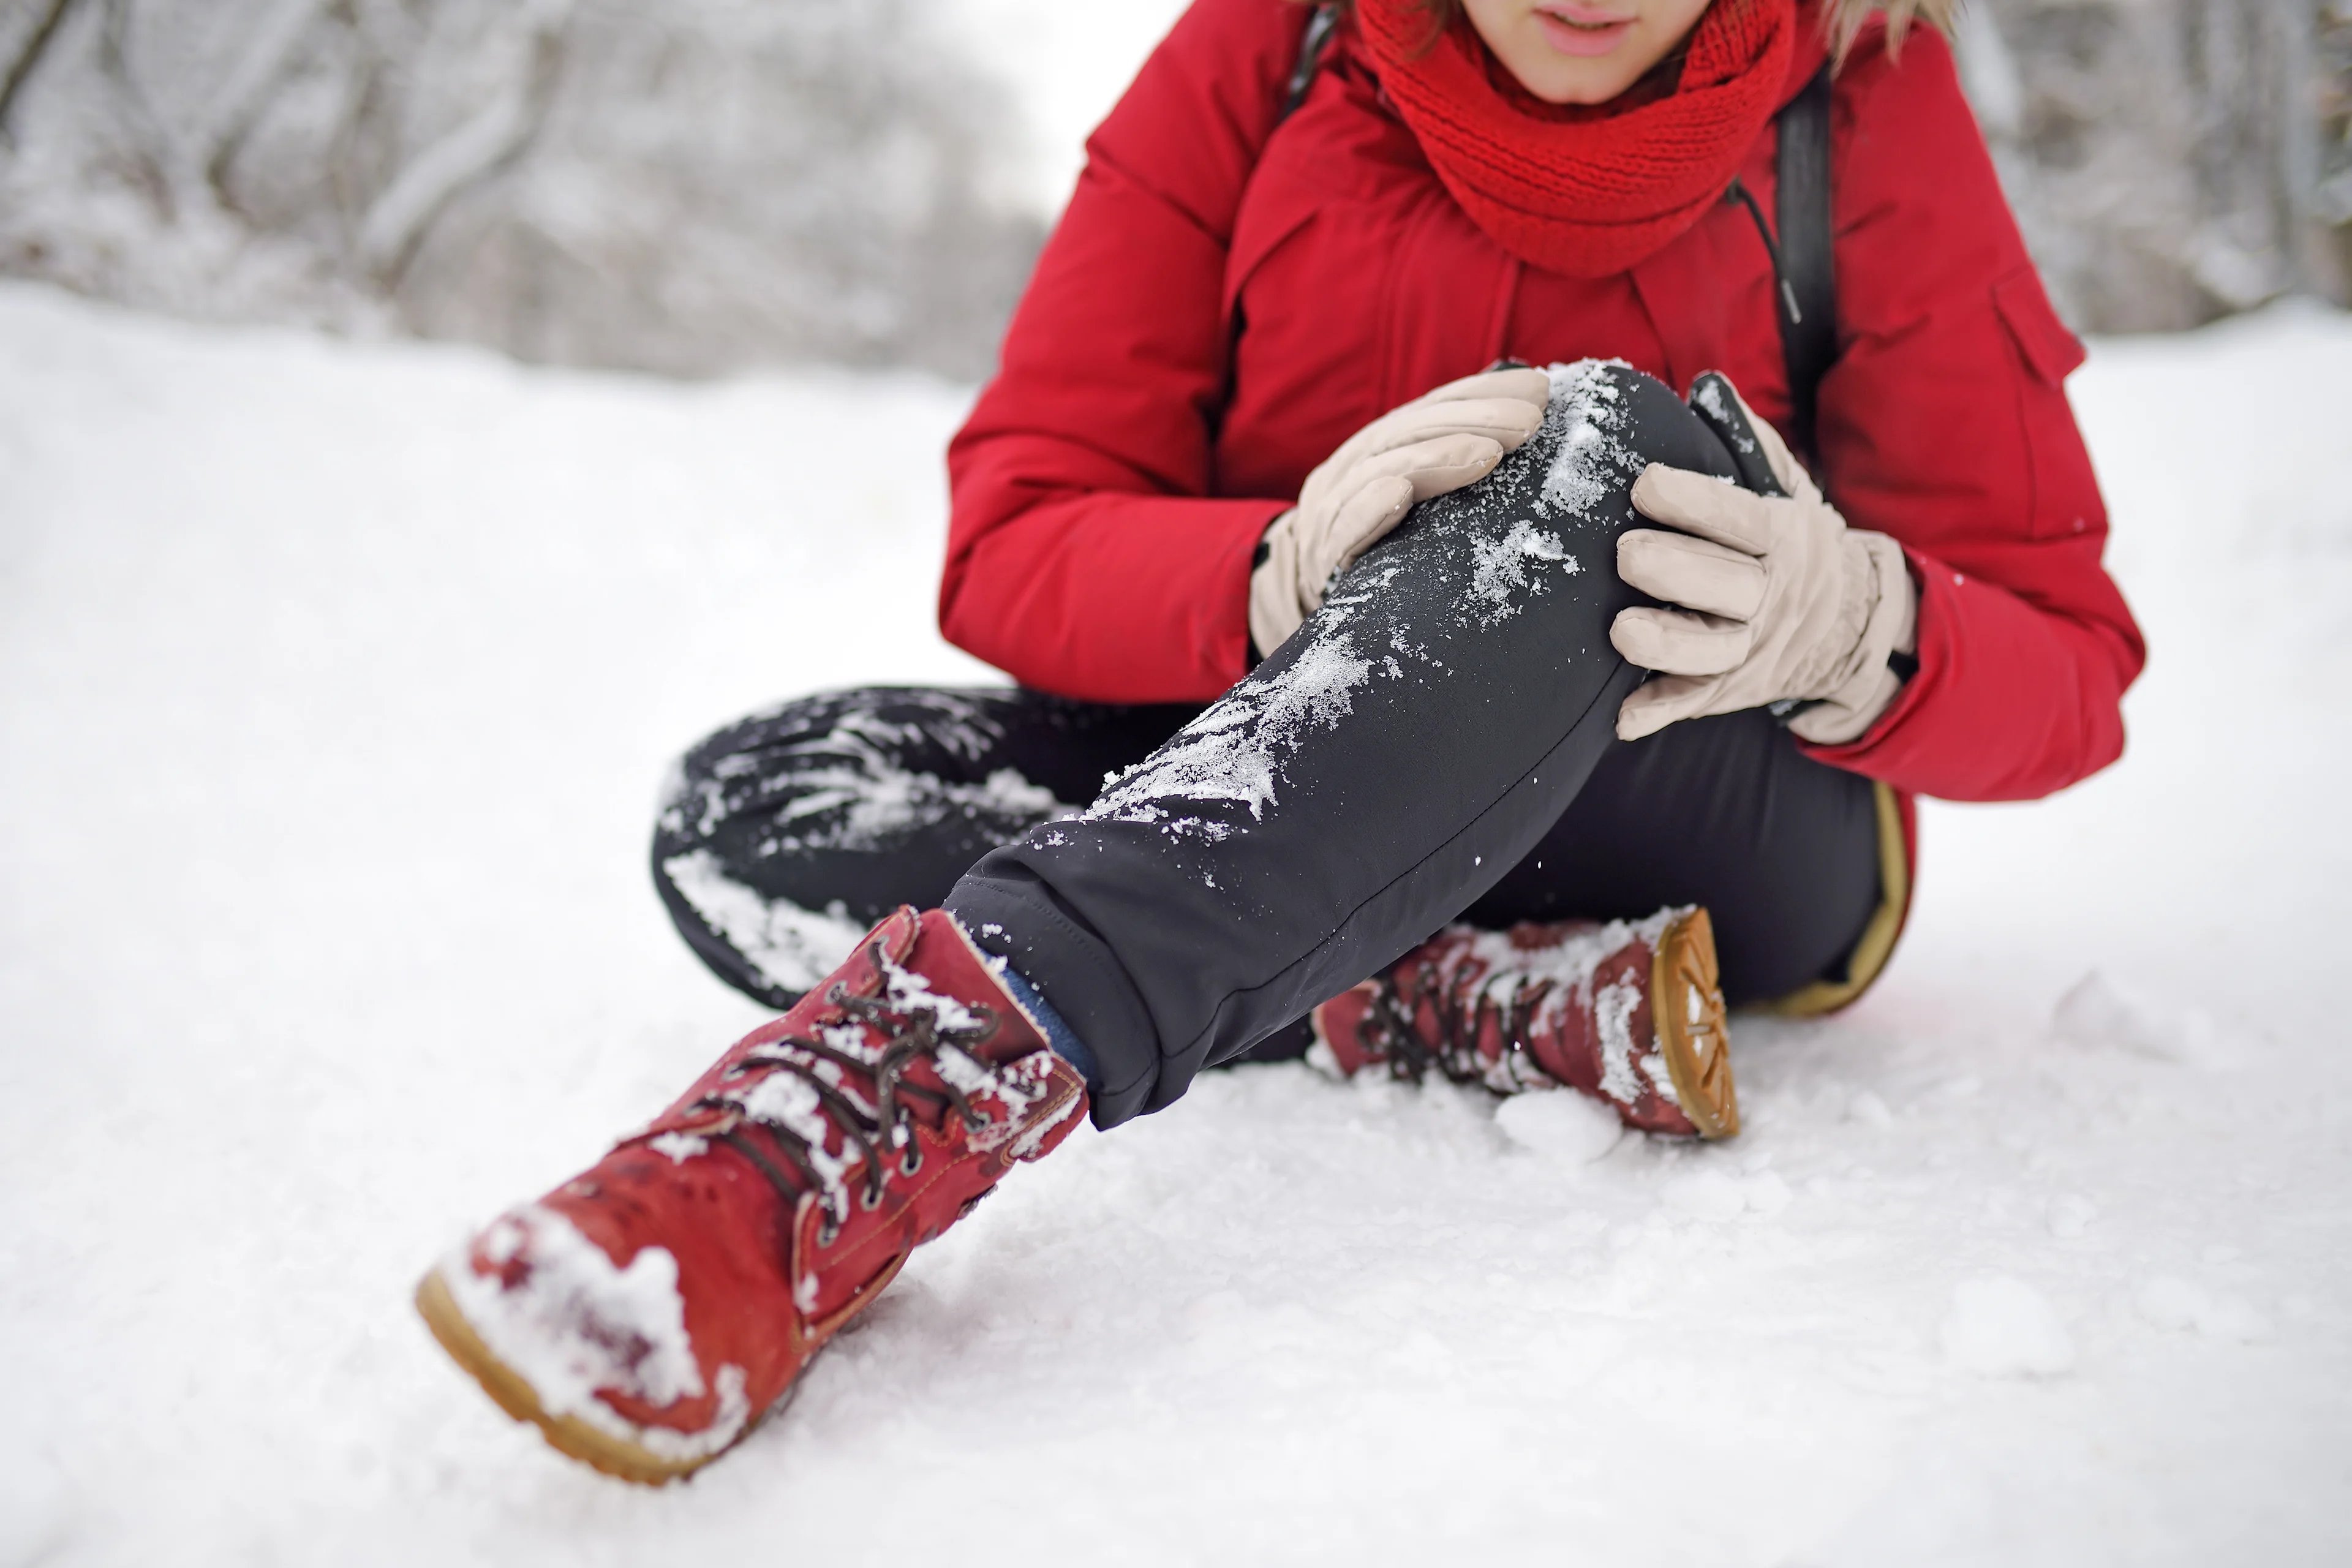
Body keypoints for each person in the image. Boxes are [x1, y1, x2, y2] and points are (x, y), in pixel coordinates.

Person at [415, 0, 2144, 1482]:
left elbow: (2072, 665)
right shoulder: (1273, 51)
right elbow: (1012, 525)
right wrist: (1274, 571)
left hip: (1713, 798)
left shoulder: (1863, 88)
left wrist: (1860, 620)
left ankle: (874, 1108)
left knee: (1595, 446)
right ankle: (1436, 996)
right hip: (1288, 753)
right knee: (758, 806)